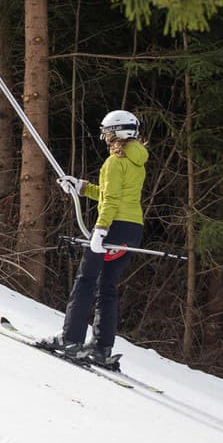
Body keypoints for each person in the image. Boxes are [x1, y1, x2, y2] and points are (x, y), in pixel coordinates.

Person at [38, 109, 148, 369]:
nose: (105, 136)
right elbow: (112, 193)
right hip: (133, 229)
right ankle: (101, 347)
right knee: (106, 285)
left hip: (113, 227)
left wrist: (100, 229)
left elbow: (110, 201)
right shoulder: (137, 161)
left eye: (108, 132)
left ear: (118, 132)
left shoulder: (114, 162)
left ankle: (70, 339)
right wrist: (81, 187)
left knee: (86, 280)